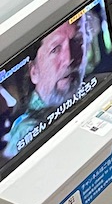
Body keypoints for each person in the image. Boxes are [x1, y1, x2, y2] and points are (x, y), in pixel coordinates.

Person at [1, 20, 83, 157]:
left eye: (75, 42)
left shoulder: (89, 84)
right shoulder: (24, 132)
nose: (69, 58)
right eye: (55, 49)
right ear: (34, 72)